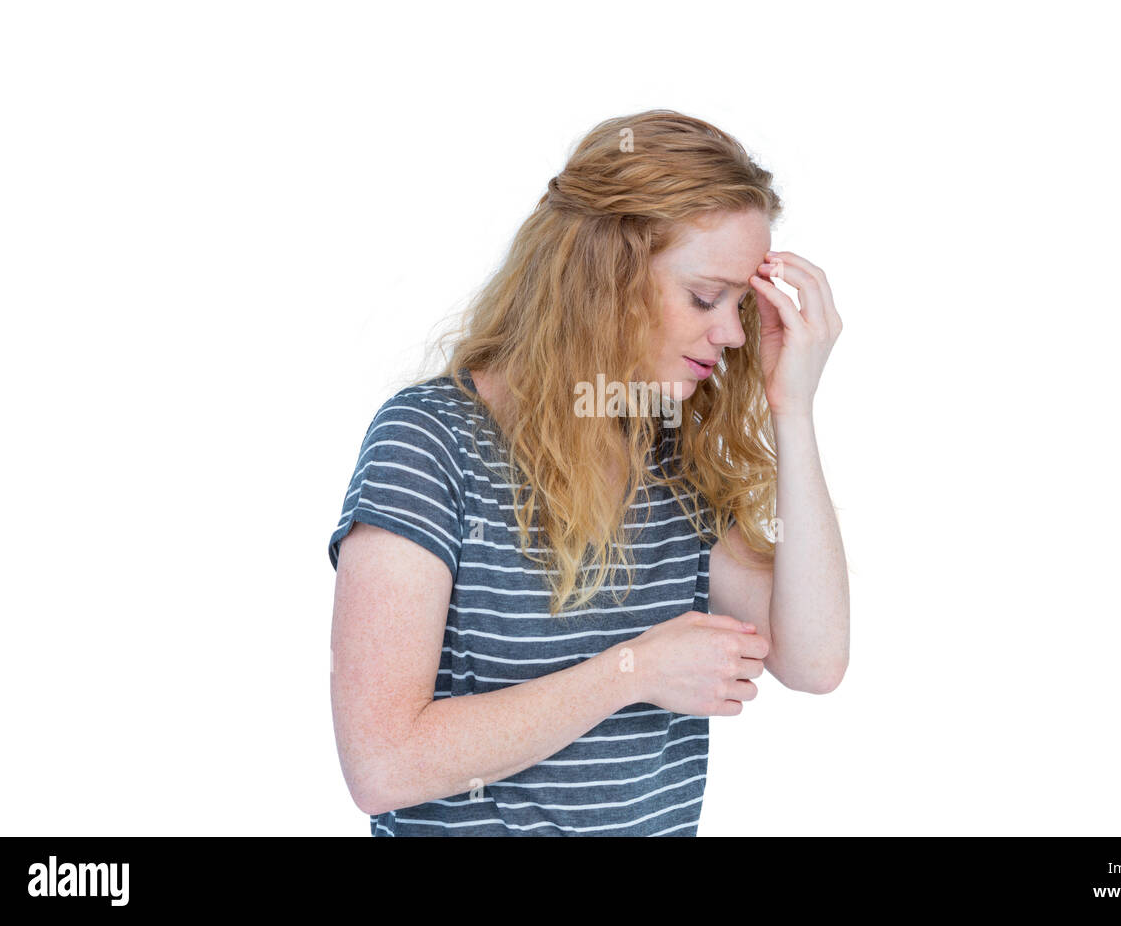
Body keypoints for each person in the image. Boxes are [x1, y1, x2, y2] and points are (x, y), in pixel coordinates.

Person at [327, 109, 849, 836]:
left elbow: (815, 659)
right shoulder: (429, 441)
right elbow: (382, 764)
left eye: (740, 303)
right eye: (704, 297)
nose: (731, 334)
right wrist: (631, 671)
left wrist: (793, 410)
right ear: (603, 276)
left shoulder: (671, 458)